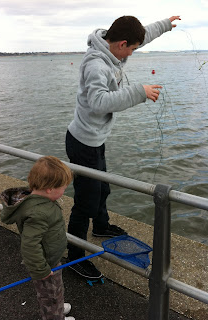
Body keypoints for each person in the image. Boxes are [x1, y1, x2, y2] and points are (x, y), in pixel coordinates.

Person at [65, 15, 181, 279]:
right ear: (121, 44)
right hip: (83, 143)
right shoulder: (96, 65)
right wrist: (140, 91)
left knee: (102, 188)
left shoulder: (115, 45)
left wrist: (165, 24)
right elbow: (99, 102)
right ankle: (74, 257)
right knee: (85, 201)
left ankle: (102, 226)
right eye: (132, 48)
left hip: (95, 139)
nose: (132, 53)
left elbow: (140, 35)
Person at [0, 156, 74, 320]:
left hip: (50, 259)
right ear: (49, 189)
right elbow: (30, 246)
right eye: (63, 188)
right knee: (50, 295)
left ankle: (58, 308)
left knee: (55, 290)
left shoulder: (40, 201)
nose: (64, 192)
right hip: (45, 263)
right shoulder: (39, 213)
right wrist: (41, 270)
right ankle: (55, 316)